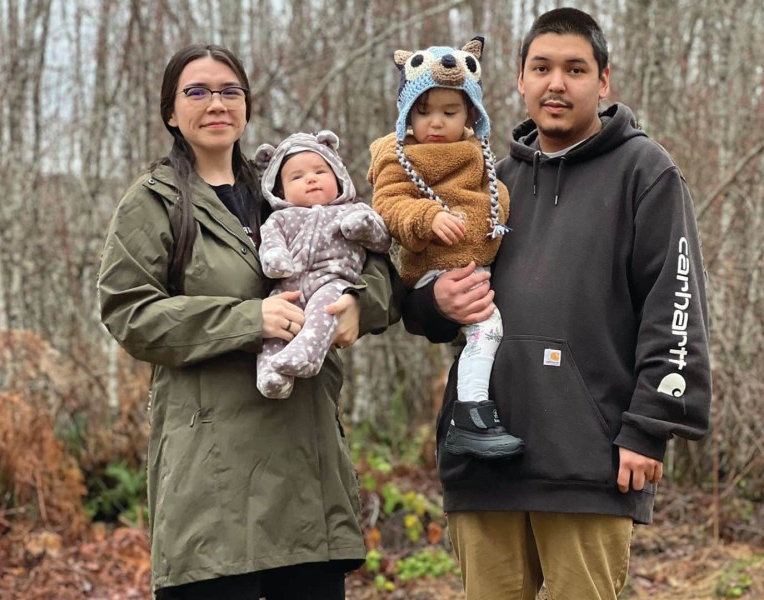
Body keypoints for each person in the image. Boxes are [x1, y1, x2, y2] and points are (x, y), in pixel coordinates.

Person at [402, 8, 712, 600]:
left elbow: (675, 309)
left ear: (604, 81)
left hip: (588, 464)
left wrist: (649, 428)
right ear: (519, 79)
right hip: (483, 461)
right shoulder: (488, 180)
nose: (556, 83)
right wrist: (434, 299)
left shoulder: (646, 173)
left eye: (575, 68)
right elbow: (423, 293)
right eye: (541, 67)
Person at [97, 44, 401, 600]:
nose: (216, 103)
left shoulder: (282, 188)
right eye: (197, 91)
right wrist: (246, 319)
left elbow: (377, 263)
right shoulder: (155, 200)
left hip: (305, 475)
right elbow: (128, 311)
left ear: (246, 106)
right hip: (212, 485)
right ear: (171, 110)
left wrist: (360, 301)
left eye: (229, 91)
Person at [369, 36, 524, 460]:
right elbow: (389, 204)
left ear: (471, 115)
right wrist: (427, 218)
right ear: (406, 115)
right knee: (487, 328)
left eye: (449, 112)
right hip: (439, 265)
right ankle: (470, 413)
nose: (435, 123)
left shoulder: (480, 154)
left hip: (477, 263)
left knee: (482, 336)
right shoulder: (400, 156)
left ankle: (479, 409)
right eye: (423, 112)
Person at [255, 130, 391, 399]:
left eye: (320, 171)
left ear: (339, 177)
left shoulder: (351, 210)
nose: (311, 179)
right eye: (297, 176)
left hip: (334, 281)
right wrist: (276, 259)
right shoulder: (281, 218)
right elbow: (271, 242)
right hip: (289, 287)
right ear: (279, 190)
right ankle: (271, 374)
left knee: (325, 309)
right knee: (273, 325)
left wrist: (362, 227)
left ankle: (307, 354)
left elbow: (382, 240)